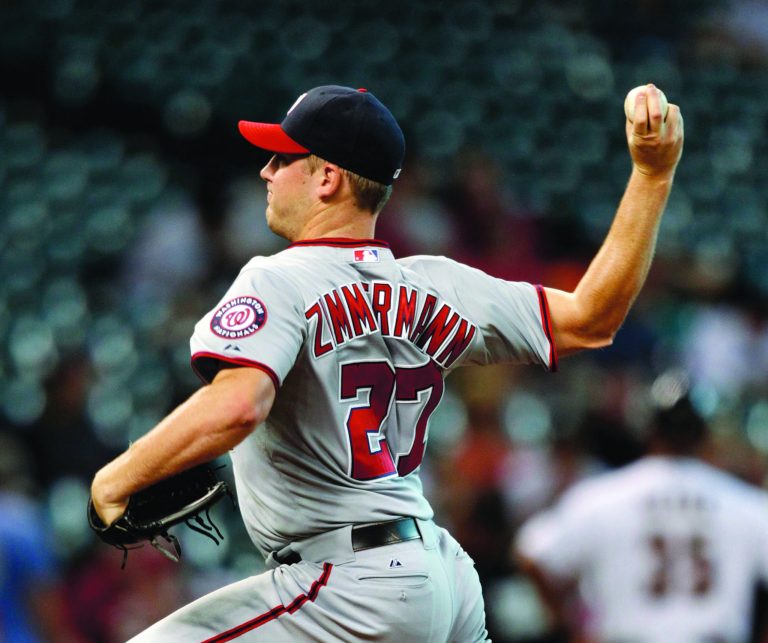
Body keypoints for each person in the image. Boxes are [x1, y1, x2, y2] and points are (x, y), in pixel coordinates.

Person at [90, 83, 683, 641]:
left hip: (347, 582)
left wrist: (115, 480)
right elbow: (590, 317)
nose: (267, 171)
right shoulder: (439, 284)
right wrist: (651, 177)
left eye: (283, 158)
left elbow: (240, 404)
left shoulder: (277, 278)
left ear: (326, 178)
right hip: (443, 578)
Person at [514, 371, 768, 642]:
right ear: (702, 433)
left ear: (648, 429)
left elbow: (531, 550)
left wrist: (567, 623)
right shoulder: (742, 501)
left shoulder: (603, 497)